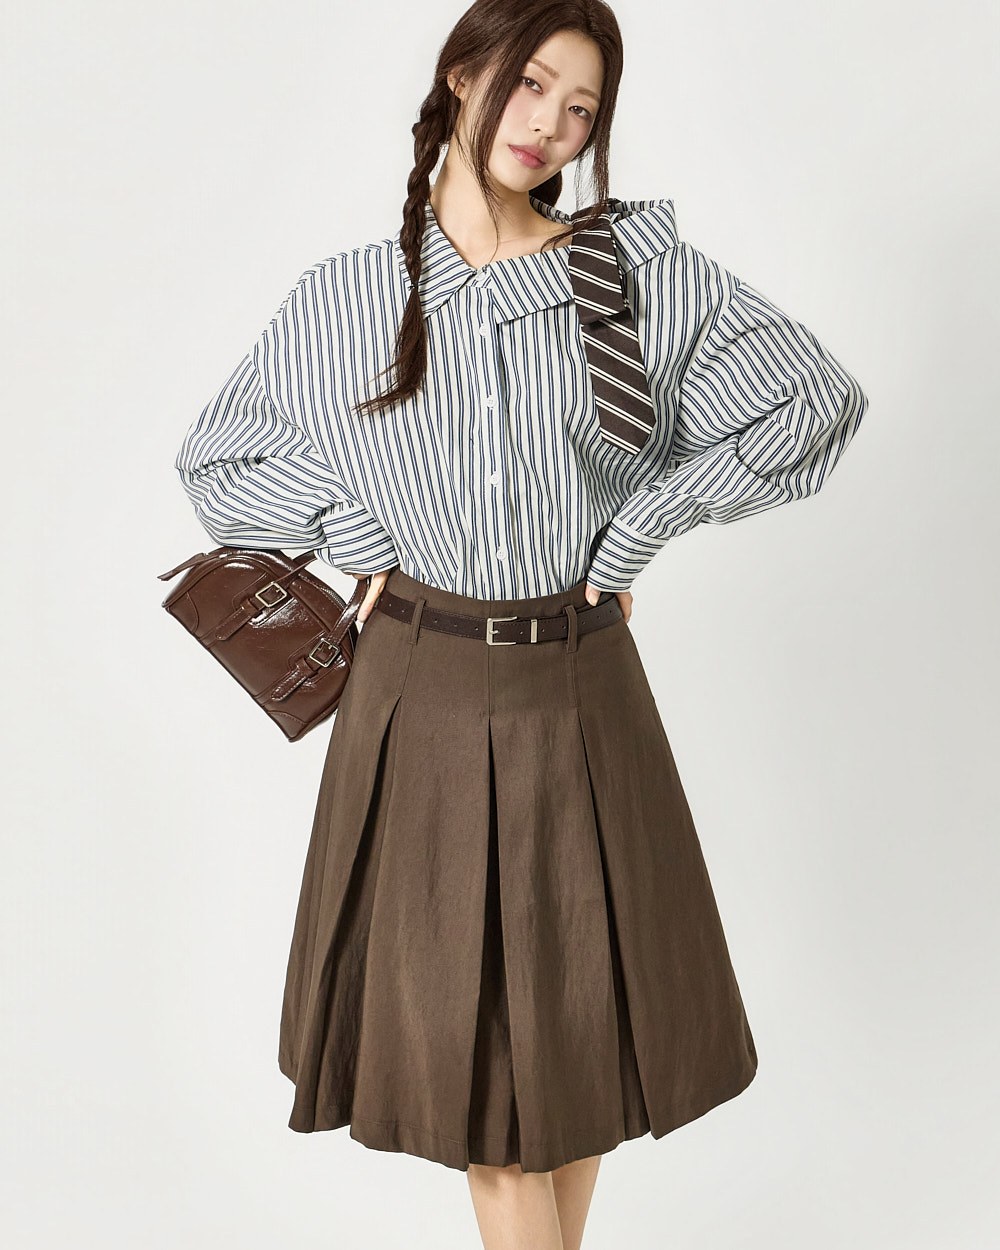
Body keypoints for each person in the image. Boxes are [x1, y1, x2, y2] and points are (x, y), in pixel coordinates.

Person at [172, 2, 869, 1246]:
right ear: (461, 73)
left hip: (584, 686)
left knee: (577, 1054)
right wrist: (357, 528)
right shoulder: (347, 299)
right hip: (422, 692)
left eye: (581, 107)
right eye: (532, 83)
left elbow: (813, 400)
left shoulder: (632, 279)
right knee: (491, 1100)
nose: (549, 123)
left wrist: (641, 526)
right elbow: (219, 461)